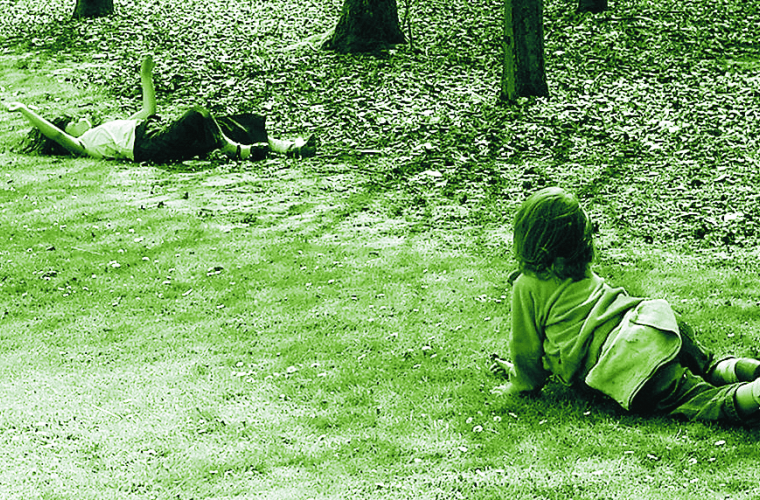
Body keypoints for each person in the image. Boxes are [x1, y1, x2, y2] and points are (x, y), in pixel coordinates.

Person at [490, 186, 760, 425]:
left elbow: (526, 348)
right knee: (707, 364)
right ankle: (742, 368)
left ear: (528, 238)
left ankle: (755, 394)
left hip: (623, 358)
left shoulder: (527, 284)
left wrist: (520, 382)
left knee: (690, 397)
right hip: (653, 321)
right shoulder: (579, 268)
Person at [4, 54, 316, 163]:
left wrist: (146, 77)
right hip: (151, 145)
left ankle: (289, 147)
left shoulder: (109, 128)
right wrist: (25, 109)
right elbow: (56, 135)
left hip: (156, 131)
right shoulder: (84, 145)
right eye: (72, 120)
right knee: (197, 114)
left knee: (227, 121)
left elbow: (148, 111)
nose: (80, 117)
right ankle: (234, 150)